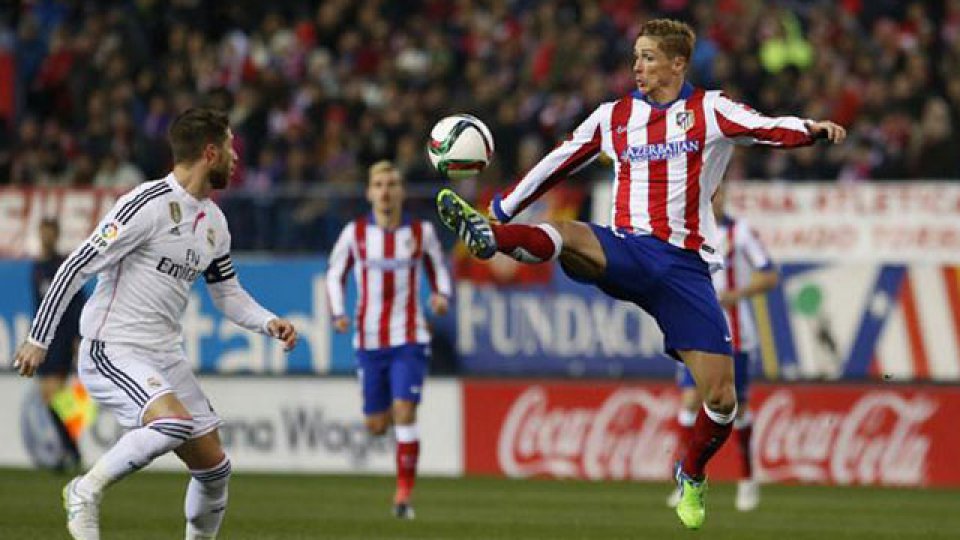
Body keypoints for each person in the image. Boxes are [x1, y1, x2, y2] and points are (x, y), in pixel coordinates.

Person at [435, 18, 845, 530]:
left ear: (677, 63)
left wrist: (809, 130)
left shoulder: (710, 110)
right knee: (572, 235)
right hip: (628, 247)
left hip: (685, 270)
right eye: (635, 56)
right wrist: (503, 205)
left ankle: (692, 473)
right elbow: (561, 160)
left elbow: (765, 127)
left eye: (648, 57)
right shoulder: (614, 117)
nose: (637, 66)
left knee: (721, 398)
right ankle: (491, 236)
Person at [13, 107, 298, 540]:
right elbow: (76, 265)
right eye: (230, 149)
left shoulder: (215, 224)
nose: (236, 159)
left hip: (164, 354)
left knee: (215, 468)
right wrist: (39, 338)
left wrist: (268, 322)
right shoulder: (145, 205)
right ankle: (84, 490)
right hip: (112, 348)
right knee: (173, 424)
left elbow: (226, 293)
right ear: (209, 152)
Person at [326, 160, 451, 520]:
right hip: (369, 340)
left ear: (401, 191)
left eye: (392, 183)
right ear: (369, 192)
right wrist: (338, 313)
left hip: (410, 336)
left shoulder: (421, 231)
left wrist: (441, 296)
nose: (385, 190)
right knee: (377, 425)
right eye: (378, 184)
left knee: (405, 412)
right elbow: (335, 275)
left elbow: (439, 268)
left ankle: (403, 497)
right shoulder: (356, 233)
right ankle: (396, 432)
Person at [666, 184, 779, 512]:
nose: (715, 199)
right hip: (693, 330)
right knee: (689, 401)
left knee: (737, 408)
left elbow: (769, 275)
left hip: (736, 333)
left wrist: (734, 295)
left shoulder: (739, 232)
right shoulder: (682, 232)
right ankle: (685, 477)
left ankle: (747, 479)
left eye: (719, 193)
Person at [31, 217, 87, 470]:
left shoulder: (63, 265)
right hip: (45, 340)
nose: (47, 237)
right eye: (43, 233)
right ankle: (71, 449)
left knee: (54, 395)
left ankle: (71, 451)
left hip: (62, 336)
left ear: (57, 235)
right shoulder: (37, 267)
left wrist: (77, 337)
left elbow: (77, 303)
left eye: (50, 233)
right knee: (50, 397)